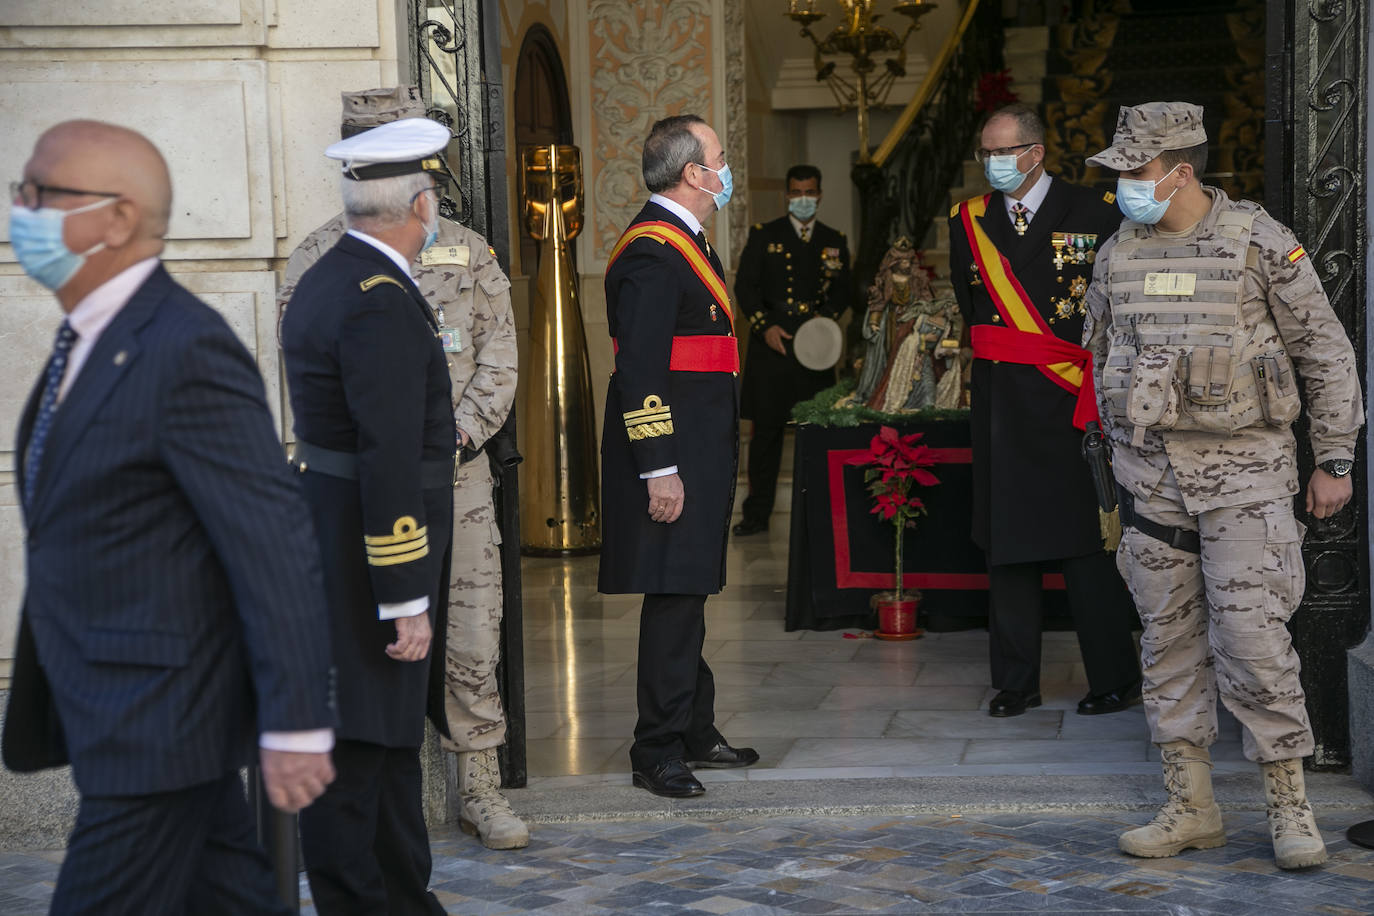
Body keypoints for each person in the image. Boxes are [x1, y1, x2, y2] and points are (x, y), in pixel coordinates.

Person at [2, 120, 336, 915]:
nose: (23, 209)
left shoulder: (183, 347)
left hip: (156, 722)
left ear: (117, 219)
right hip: (127, 709)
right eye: (22, 191)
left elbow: (273, 540)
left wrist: (296, 720)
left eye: (42, 194)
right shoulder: (90, 336)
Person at [1083, 101, 1364, 870]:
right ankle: (1190, 807)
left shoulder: (1261, 243)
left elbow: (1326, 353)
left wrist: (1333, 460)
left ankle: (1289, 808)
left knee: (1253, 641)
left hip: (1245, 479)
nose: (1123, 190)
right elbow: (1102, 352)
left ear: (1179, 171)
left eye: (1134, 174)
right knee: (1167, 644)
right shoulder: (1116, 255)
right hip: (1152, 486)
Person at [278, 86, 527, 851]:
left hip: (460, 477)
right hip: (370, 491)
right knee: (376, 638)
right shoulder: (321, 259)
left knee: (471, 635)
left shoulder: (468, 247)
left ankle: (480, 790)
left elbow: (502, 354)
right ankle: (384, 810)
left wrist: (455, 436)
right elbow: (310, 389)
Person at [281, 117, 457, 913]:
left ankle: (398, 898)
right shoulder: (379, 301)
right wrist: (405, 596)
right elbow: (386, 454)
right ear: (420, 203)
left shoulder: (332, 278)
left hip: (338, 533)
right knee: (365, 744)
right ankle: (365, 899)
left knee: (382, 738)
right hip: (372, 551)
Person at [948, 103, 1142, 719]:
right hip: (1003, 406)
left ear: (1035, 153)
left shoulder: (1095, 211)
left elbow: (1116, 308)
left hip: (1071, 402)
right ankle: (1015, 682)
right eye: (986, 152)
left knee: (1088, 545)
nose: (992, 164)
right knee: (1007, 546)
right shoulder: (968, 221)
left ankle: (1113, 677)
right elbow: (973, 308)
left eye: (1003, 152)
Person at [600, 114, 759, 798]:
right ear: (695, 173)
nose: (725, 169)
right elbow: (640, 370)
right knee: (672, 596)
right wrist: (658, 465)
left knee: (689, 590)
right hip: (670, 456)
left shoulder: (687, 242)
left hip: (698, 446)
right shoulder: (652, 252)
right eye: (719, 158)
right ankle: (656, 748)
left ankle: (695, 726)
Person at [733, 164, 851, 536]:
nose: (803, 200)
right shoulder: (765, 236)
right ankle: (756, 514)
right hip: (772, 347)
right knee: (765, 435)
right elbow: (745, 288)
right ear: (787, 195)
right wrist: (764, 326)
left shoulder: (835, 240)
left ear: (819, 194)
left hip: (816, 351)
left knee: (815, 431)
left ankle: (818, 510)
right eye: (797, 193)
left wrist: (825, 324)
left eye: (810, 193)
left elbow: (844, 290)